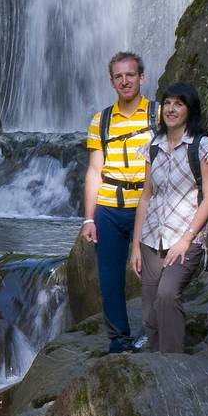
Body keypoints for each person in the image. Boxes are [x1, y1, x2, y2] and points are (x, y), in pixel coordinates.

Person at [129, 83, 208, 353]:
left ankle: (172, 365)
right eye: (167, 103)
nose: (171, 109)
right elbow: (145, 197)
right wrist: (135, 246)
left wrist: (186, 239)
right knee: (149, 312)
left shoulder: (204, 147)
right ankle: (154, 367)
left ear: (189, 110)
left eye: (178, 104)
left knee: (168, 294)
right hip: (151, 238)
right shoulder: (153, 147)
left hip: (186, 237)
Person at [82, 52, 157, 353]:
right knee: (110, 278)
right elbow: (94, 170)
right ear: (111, 81)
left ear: (142, 77)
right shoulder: (101, 121)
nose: (125, 81)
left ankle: (155, 334)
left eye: (130, 75)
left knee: (154, 275)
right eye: (118, 76)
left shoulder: (159, 114)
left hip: (151, 205)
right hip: (110, 207)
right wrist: (89, 217)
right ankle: (119, 340)